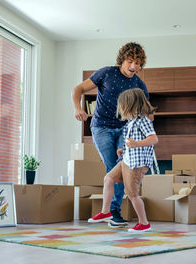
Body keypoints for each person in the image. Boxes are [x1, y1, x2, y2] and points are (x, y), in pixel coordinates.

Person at [72, 42, 148, 227]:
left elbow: (145, 110)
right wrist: (78, 108)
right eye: (130, 61)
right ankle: (112, 212)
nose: (133, 67)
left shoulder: (138, 83)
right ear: (122, 60)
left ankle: (113, 212)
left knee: (122, 167)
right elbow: (78, 89)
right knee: (112, 167)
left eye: (138, 63)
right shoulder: (106, 73)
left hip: (124, 128)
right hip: (101, 127)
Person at [88, 88, 158, 233]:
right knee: (108, 178)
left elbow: (153, 139)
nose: (121, 109)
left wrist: (136, 144)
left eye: (123, 106)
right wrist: (123, 150)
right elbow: (131, 143)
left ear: (132, 105)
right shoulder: (130, 123)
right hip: (126, 159)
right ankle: (106, 212)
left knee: (132, 194)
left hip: (136, 163)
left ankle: (144, 223)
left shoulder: (143, 121)